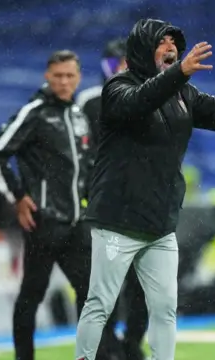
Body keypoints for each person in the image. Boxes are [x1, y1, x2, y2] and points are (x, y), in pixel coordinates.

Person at [75, 18, 215, 360]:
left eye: (175, 41)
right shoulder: (116, 88)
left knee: (165, 308)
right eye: (162, 41)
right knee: (100, 303)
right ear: (144, 48)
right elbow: (138, 102)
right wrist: (178, 75)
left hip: (159, 224)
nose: (171, 46)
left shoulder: (183, 93)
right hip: (118, 221)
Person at [0, 50, 117, 360]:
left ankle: (101, 354)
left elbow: (87, 166)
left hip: (76, 222)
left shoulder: (78, 115)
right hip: (43, 224)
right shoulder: (35, 112)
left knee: (94, 297)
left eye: (70, 75)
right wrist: (16, 197)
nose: (64, 81)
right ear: (47, 75)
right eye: (58, 75)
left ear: (79, 77)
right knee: (32, 296)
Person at [76, 38, 148, 360]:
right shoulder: (90, 101)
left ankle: (132, 344)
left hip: (141, 207)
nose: (118, 70)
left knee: (143, 285)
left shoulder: (150, 98)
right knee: (104, 285)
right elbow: (79, 151)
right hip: (104, 209)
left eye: (125, 64)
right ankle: (107, 347)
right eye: (113, 64)